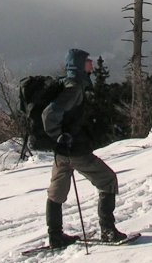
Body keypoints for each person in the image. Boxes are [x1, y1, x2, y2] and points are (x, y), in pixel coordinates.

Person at [42, 48, 128, 247]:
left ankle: (55, 236)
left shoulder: (67, 84)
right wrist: (59, 135)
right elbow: (49, 114)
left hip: (61, 152)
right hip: (75, 149)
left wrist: (57, 138)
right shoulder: (74, 88)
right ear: (79, 65)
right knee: (107, 179)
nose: (91, 62)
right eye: (87, 60)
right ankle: (107, 230)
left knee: (56, 192)